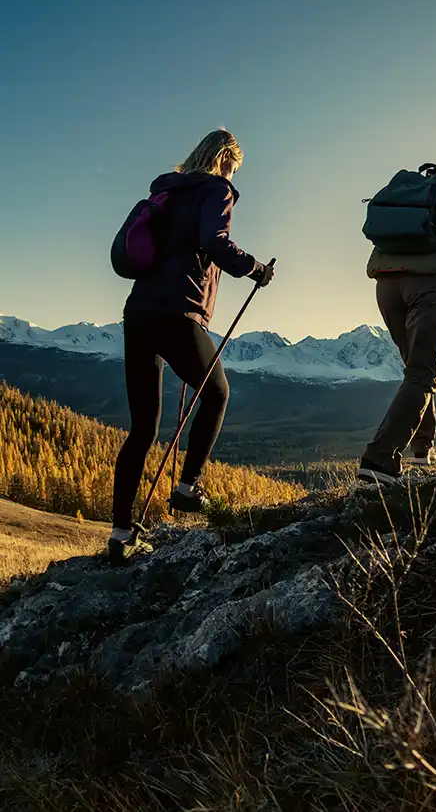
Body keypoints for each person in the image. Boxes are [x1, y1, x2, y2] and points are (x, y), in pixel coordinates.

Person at [109, 129, 276, 565]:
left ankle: (121, 533)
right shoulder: (217, 189)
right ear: (223, 158)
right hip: (178, 310)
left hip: (139, 311)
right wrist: (255, 269)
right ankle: (188, 488)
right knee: (217, 392)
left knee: (142, 428)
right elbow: (214, 243)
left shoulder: (167, 190)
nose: (232, 174)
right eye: (233, 166)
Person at [358, 159, 436, 484]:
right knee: (423, 374)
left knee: (415, 369)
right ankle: (380, 459)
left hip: (386, 284)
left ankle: (421, 446)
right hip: (428, 283)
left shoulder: (414, 183)